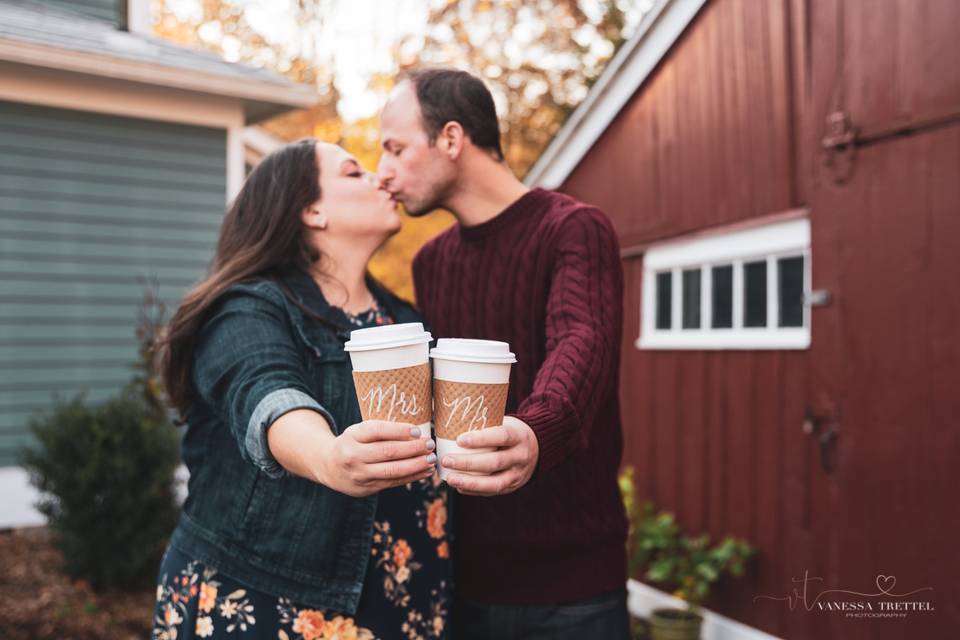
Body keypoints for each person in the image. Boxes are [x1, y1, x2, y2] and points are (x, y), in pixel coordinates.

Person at [153, 139, 452, 640]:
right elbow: (266, 394)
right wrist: (329, 457)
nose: (380, 178)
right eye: (354, 172)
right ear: (311, 209)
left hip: (406, 598)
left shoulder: (407, 321)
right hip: (265, 601)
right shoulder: (248, 307)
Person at [378, 69, 630, 640]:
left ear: (450, 138)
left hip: (573, 590)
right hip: (462, 583)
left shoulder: (573, 229)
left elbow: (581, 340)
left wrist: (536, 432)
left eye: (395, 148)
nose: (383, 171)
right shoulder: (430, 263)